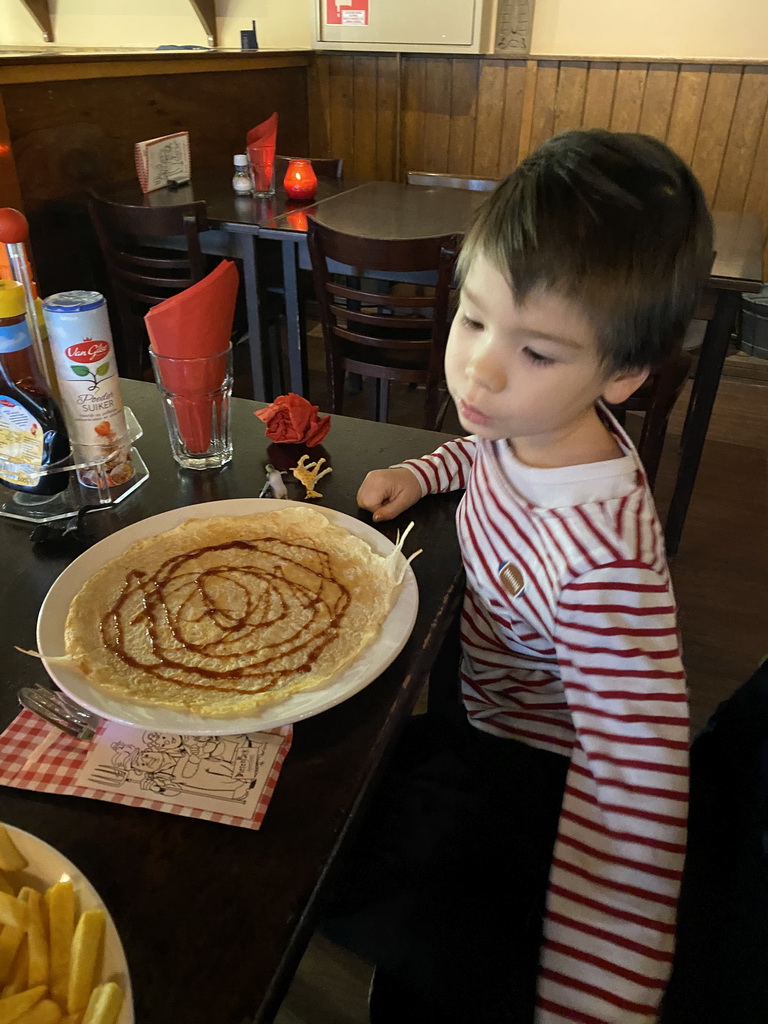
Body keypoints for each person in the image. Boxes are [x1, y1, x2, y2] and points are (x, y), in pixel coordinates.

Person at [322, 129, 713, 1024]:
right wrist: (422, 472)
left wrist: (591, 1009)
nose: (481, 369)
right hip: (479, 685)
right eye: (472, 318)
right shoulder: (533, 425)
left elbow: (636, 801)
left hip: (537, 774)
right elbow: (487, 447)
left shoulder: (604, 567)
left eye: (536, 352)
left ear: (622, 376)